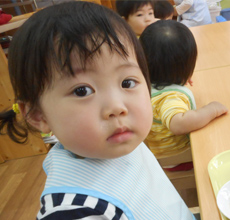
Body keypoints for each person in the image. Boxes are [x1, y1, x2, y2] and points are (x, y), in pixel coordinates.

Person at [0, 2, 195, 219]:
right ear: (38, 115)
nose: (117, 107)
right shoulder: (79, 212)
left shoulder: (122, 139)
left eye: (128, 83)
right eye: (82, 91)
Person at [139, 20, 228, 171]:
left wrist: (177, 79)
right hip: (178, 158)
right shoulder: (170, 97)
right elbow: (179, 123)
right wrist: (211, 110)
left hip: (159, 153)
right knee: (223, 146)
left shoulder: (147, 85)